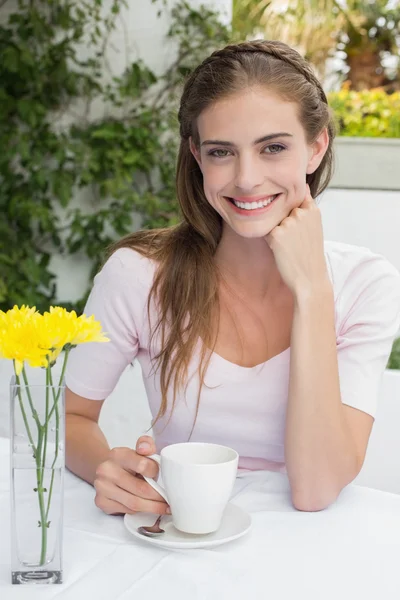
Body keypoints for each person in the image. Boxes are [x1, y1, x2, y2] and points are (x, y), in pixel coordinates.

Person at [65, 39, 400, 516]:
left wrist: (311, 292)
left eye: (273, 148)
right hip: (181, 536)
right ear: (198, 155)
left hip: (310, 553)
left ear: (316, 146)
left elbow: (317, 489)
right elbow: (72, 418)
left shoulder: (365, 285)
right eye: (222, 152)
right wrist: (112, 471)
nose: (246, 179)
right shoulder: (139, 275)